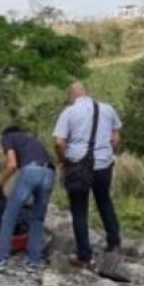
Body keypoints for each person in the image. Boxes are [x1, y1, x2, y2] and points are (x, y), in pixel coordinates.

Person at [53, 81, 122, 267]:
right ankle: (114, 243)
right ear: (88, 93)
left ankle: (84, 255)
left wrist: (63, 160)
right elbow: (115, 138)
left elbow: (59, 142)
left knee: (79, 209)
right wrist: (109, 154)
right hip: (103, 164)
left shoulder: (69, 112)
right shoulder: (107, 109)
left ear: (71, 95)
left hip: (77, 164)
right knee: (104, 201)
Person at [0, 126, 56, 273]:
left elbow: (12, 165)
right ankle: (33, 262)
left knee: (8, 216)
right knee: (37, 219)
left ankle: (0, 259)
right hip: (50, 173)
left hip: (32, 171)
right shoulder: (31, 141)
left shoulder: (8, 138)